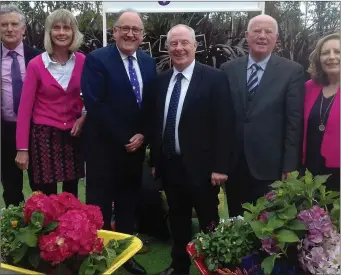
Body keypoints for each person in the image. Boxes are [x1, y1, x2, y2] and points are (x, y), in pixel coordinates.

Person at [150, 24, 235, 275]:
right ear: (167, 48)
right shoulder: (160, 81)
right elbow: (157, 123)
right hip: (170, 165)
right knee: (178, 221)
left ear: (195, 46)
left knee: (209, 223)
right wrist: (155, 160)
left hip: (204, 169)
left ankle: (214, 267)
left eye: (184, 43)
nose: (179, 48)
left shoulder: (215, 78)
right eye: (173, 44)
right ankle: (179, 266)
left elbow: (225, 124)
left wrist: (221, 166)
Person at [81, 9, 157, 275]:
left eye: (135, 30)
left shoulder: (148, 62)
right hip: (104, 150)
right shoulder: (97, 60)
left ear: (142, 35)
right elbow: (95, 103)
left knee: (127, 207)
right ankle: (98, 259)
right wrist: (125, 137)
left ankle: (125, 256)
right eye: (124, 28)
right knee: (99, 208)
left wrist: (143, 135)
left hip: (135, 152)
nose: (130, 34)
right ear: (114, 32)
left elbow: (151, 104)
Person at [220, 14, 305, 217]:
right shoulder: (227, 69)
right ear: (247, 36)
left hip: (271, 166)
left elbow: (294, 122)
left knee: (268, 227)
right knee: (237, 221)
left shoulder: (292, 72)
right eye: (257, 31)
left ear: (276, 39)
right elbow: (221, 119)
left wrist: (289, 166)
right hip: (235, 165)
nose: (262, 36)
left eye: (268, 32)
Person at [15, 9, 86, 197]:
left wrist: (84, 117)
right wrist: (22, 149)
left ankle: (72, 227)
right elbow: (24, 110)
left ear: (73, 32)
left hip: (73, 135)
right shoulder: (36, 65)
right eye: (56, 28)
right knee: (47, 198)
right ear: (49, 32)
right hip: (44, 137)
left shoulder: (82, 61)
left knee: (71, 195)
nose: (62, 32)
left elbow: (91, 96)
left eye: (66, 28)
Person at [0, 4, 41, 206]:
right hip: (5, 131)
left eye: (14, 24)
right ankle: (15, 233)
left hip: (36, 131)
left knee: (41, 187)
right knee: (10, 188)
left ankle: (44, 232)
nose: (9, 29)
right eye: (4, 24)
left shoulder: (39, 57)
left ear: (23, 29)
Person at [302, 33, 340, 191]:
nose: (331, 57)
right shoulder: (309, 87)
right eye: (325, 53)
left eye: (337, 52)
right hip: (309, 170)